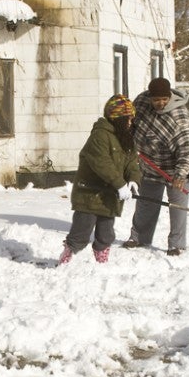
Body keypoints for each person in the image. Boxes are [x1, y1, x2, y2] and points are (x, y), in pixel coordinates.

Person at [59, 94, 141, 265]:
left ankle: (101, 257)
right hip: (90, 192)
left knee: (106, 232)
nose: (131, 121)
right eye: (128, 118)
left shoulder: (125, 137)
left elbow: (132, 162)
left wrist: (133, 180)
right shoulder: (100, 135)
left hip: (110, 194)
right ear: (118, 118)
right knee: (82, 229)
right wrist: (119, 184)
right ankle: (69, 254)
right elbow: (101, 163)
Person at [122, 77, 189, 256]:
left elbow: (188, 150)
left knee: (177, 207)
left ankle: (176, 244)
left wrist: (180, 175)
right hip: (150, 164)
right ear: (150, 97)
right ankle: (139, 237)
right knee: (146, 203)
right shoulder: (141, 102)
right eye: (156, 99)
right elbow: (132, 123)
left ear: (170, 96)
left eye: (164, 99)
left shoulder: (179, 119)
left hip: (176, 168)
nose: (161, 103)